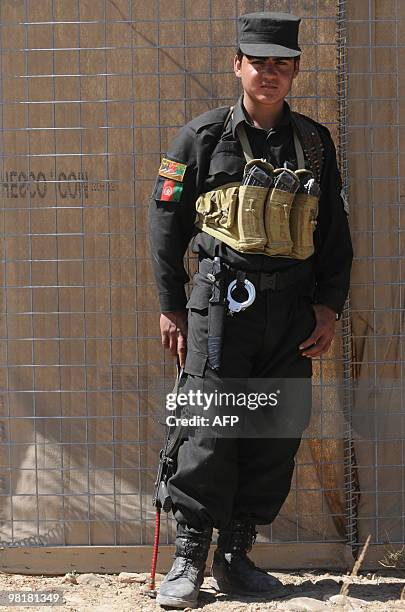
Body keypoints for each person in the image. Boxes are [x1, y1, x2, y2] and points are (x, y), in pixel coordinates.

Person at [149, 11, 352, 609]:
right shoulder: (201, 138)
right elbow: (165, 229)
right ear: (238, 65)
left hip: (290, 311)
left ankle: (236, 557)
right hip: (218, 308)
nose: (270, 73)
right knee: (208, 429)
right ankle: (188, 559)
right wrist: (171, 307)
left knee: (273, 429)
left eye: (281, 64)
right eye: (259, 62)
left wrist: (329, 306)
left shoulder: (313, 142)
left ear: (294, 72)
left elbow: (335, 232)